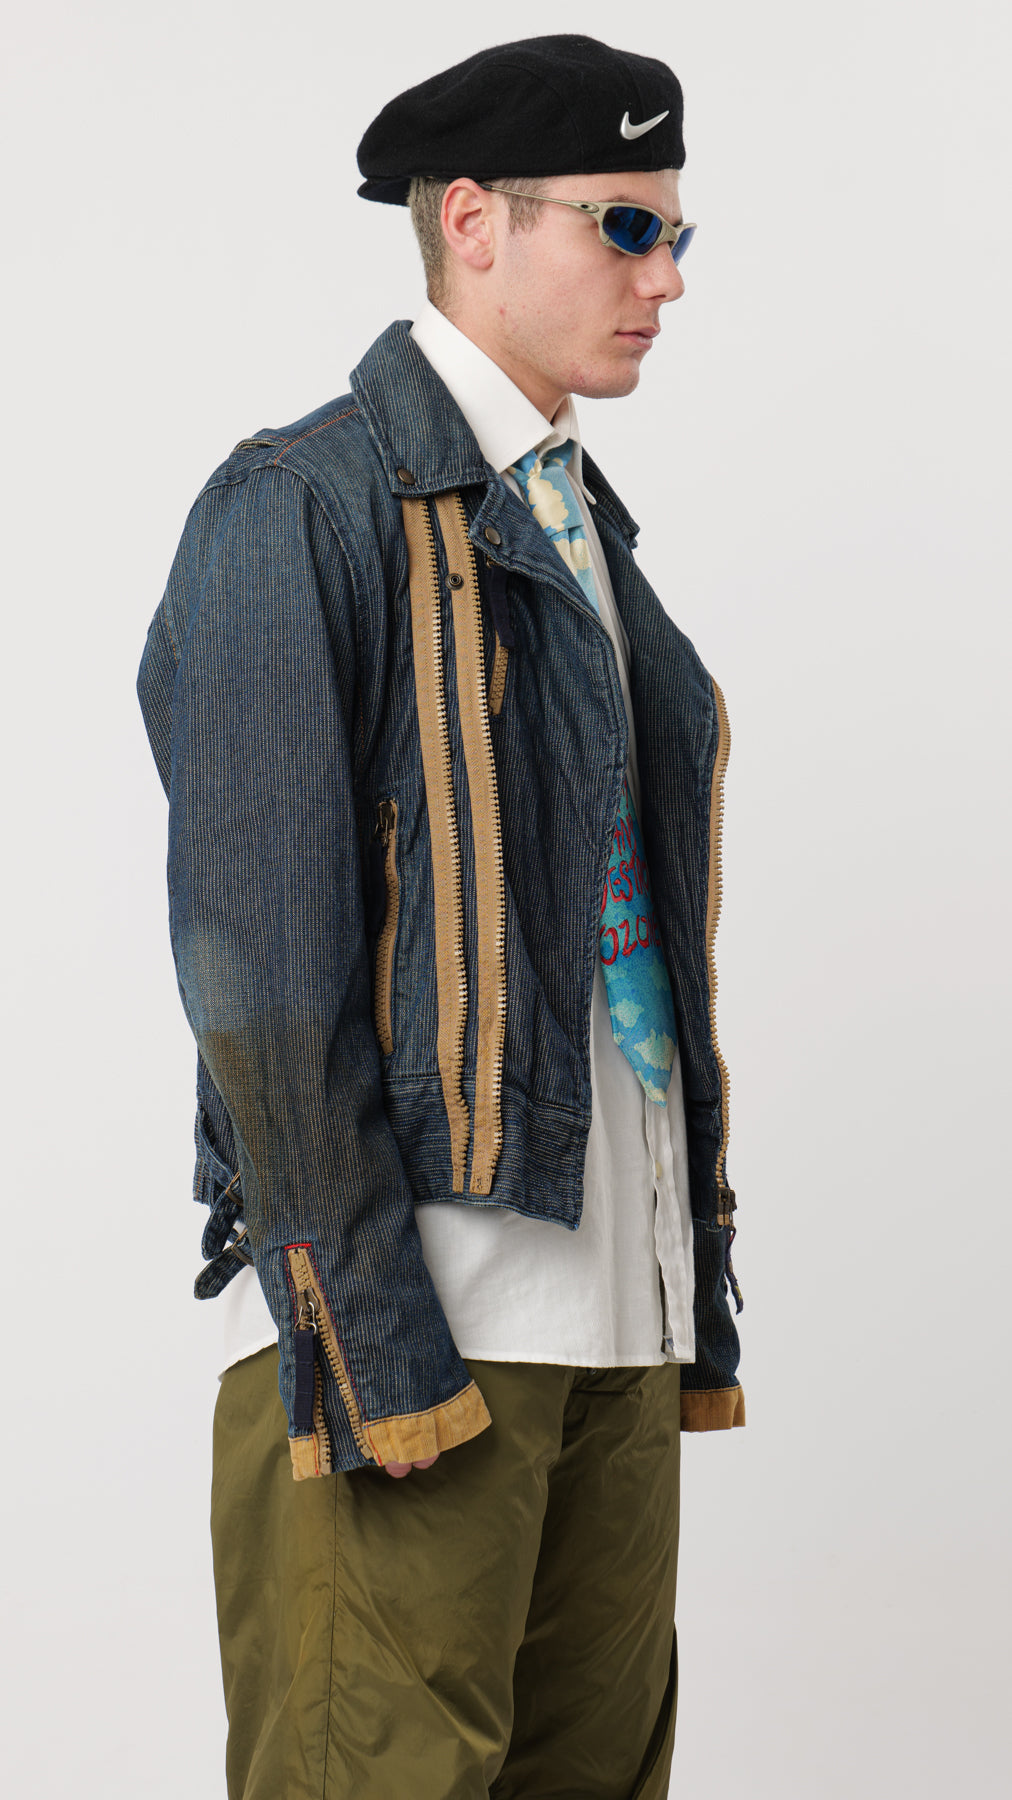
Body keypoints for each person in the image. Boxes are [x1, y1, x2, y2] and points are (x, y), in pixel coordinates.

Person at [138, 32, 744, 1800]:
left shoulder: (581, 530)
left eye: (678, 234)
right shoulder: (302, 505)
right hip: (421, 1335)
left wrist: (678, 1291)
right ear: (473, 221)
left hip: (618, 1322)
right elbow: (259, 970)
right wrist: (367, 1337)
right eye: (626, 226)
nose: (666, 277)